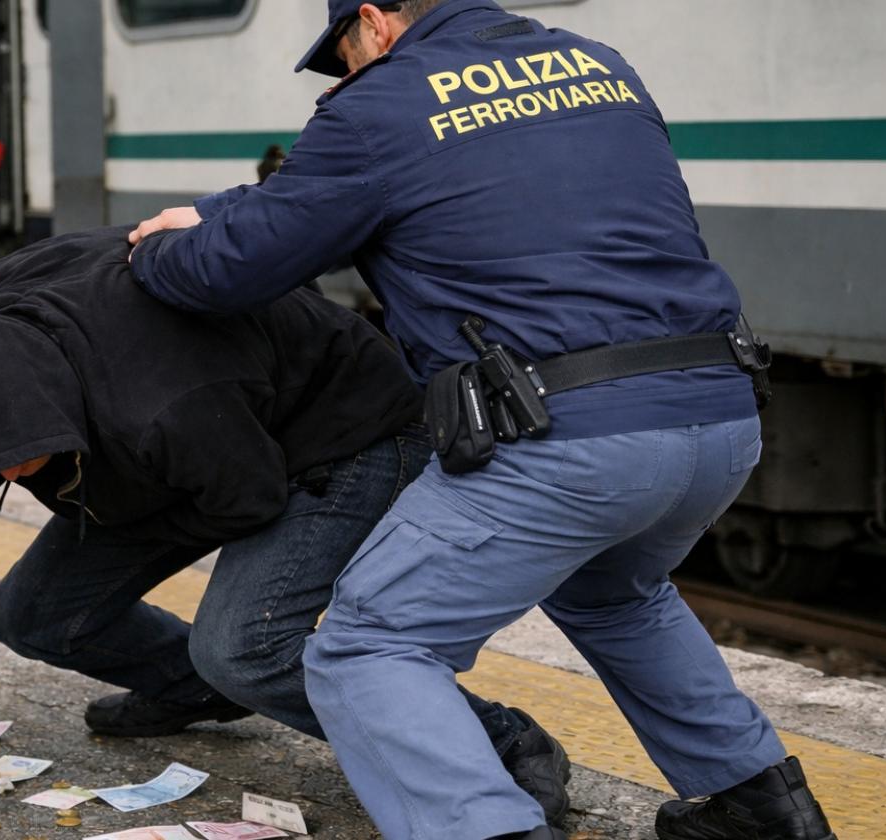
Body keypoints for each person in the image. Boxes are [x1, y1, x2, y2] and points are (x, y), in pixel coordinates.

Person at [125, 2, 835, 839]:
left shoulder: (380, 103)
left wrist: (158, 246)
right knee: (616, 592)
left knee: (368, 647)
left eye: (345, 52)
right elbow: (480, 181)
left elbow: (230, 270)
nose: (349, 70)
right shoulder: (597, 63)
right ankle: (760, 806)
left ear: (375, 22)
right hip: (717, 412)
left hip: (568, 436)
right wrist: (232, 206)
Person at [0, 226, 572, 823]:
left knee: (244, 649)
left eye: (13, 458)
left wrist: (115, 497)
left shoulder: (162, 410)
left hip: (342, 437)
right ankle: (195, 689)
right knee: (32, 619)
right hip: (198, 449)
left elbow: (247, 502)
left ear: (38, 404)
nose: (5, 478)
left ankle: (497, 740)